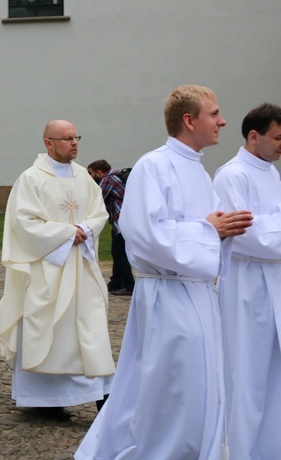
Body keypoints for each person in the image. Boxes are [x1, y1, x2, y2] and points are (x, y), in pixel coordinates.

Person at [75, 85, 254, 459]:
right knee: (174, 389)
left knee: (203, 387)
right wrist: (209, 231)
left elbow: (211, 228)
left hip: (200, 294)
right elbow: (143, 236)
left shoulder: (198, 170)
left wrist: (226, 229)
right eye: (214, 114)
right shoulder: (154, 166)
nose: (222, 121)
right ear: (189, 120)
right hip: (169, 296)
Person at [0, 120, 114, 421]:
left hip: (80, 266)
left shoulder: (83, 176)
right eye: (66, 138)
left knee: (90, 330)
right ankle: (45, 399)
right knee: (48, 332)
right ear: (48, 142)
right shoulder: (30, 179)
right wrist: (66, 233)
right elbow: (23, 224)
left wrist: (83, 229)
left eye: (75, 137)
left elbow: (99, 213)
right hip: (48, 269)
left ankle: (102, 397)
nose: (74, 143)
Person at [213, 102, 281, 459]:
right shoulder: (232, 175)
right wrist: (270, 227)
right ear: (254, 136)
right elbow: (246, 235)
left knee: (272, 373)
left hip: (274, 280)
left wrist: (269, 226)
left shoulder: (271, 172)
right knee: (245, 373)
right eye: (278, 137)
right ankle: (240, 450)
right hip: (246, 285)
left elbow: (267, 228)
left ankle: (270, 446)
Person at [87, 159, 135, 295]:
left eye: (91, 173)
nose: (90, 177)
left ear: (99, 172)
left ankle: (128, 285)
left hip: (122, 222)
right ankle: (115, 283)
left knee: (120, 254)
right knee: (117, 252)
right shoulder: (117, 176)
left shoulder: (108, 180)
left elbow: (97, 200)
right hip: (123, 222)